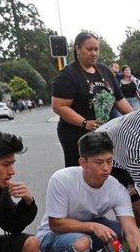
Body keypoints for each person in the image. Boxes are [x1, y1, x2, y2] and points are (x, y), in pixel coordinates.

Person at [37, 132, 140, 252]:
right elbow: (56, 224)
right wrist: (93, 226)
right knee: (81, 242)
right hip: (52, 237)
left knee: (121, 231)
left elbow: (131, 229)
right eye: (99, 162)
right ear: (83, 163)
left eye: (109, 160)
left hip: (87, 232)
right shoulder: (62, 179)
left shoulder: (116, 188)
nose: (106, 168)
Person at [51, 32, 133, 168]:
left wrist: (134, 118)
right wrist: (84, 123)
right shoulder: (68, 75)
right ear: (77, 49)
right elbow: (59, 106)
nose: (94, 53)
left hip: (106, 133)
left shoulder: (104, 70)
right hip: (78, 135)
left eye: (96, 49)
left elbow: (119, 99)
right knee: (84, 175)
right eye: (89, 49)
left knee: (113, 172)